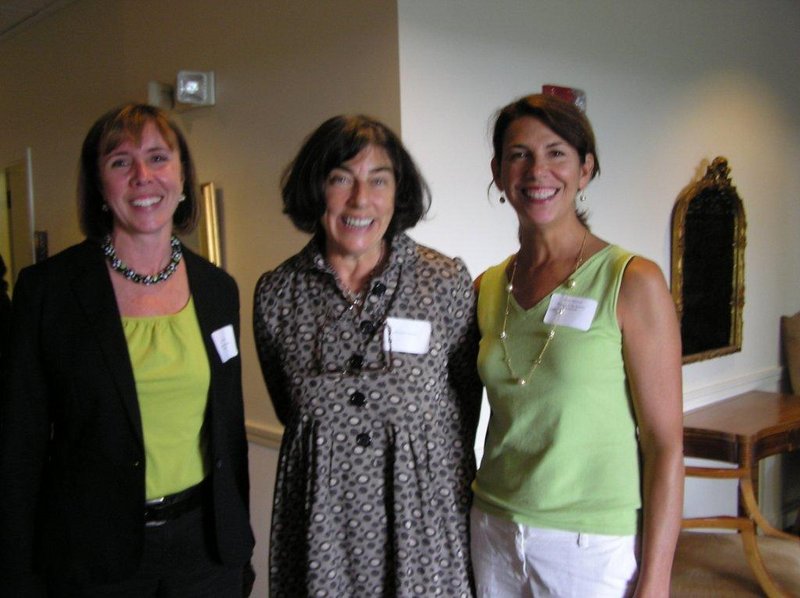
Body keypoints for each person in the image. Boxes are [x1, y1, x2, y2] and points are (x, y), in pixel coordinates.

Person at [0, 103, 254, 597]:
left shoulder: (218, 288)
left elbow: (227, 431)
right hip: (92, 557)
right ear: (99, 185)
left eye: (159, 158)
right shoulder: (50, 291)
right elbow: (19, 447)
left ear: (182, 177)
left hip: (203, 551)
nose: (143, 176)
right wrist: (15, 575)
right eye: (120, 162)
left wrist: (237, 551)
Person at [253, 115, 482, 597]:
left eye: (378, 180)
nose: (361, 200)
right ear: (316, 189)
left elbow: (465, 399)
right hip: (322, 531)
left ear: (398, 193)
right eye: (341, 179)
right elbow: (290, 409)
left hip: (423, 524)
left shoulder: (443, 283)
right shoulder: (277, 295)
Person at [470, 93, 683, 597]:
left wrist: (655, 582)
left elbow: (665, 445)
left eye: (556, 152)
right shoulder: (486, 287)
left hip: (591, 545)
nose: (537, 170)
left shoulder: (631, 280)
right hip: (493, 531)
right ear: (499, 173)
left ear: (585, 170)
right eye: (519, 154)